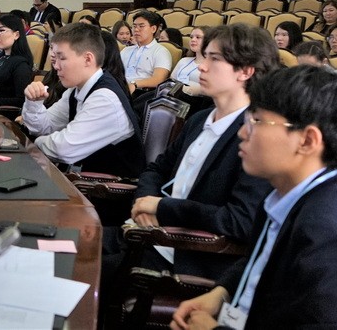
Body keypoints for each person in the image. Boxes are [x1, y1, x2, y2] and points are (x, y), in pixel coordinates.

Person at [170, 65, 337, 330]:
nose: (242, 132)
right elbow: (263, 258)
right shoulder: (282, 195)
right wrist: (222, 293)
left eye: (257, 121)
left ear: (307, 141)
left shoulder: (326, 230)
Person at [110, 24, 279, 283]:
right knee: (66, 241)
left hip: (188, 258)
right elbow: (156, 169)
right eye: (204, 57)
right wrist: (145, 201)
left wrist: (162, 208)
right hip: (146, 235)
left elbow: (238, 220)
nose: (202, 66)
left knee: (76, 267)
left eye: (214, 59)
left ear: (246, 71)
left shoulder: (257, 136)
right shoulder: (199, 119)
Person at [21, 23, 144, 178]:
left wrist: (34, 142)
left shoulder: (105, 98)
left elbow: (63, 150)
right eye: (54, 59)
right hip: (81, 179)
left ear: (87, 59)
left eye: (62, 58)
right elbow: (46, 126)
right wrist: (34, 103)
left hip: (106, 188)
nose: (56, 66)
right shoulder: (76, 89)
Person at [120, 10, 173, 96]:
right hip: (121, 88)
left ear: (153, 29)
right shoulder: (126, 50)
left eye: (141, 26)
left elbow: (158, 79)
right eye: (134, 26)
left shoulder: (161, 52)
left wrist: (134, 84)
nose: (136, 30)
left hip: (142, 92)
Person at [170, 26, 211, 93]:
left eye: (198, 37)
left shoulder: (214, 65)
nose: (193, 40)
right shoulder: (183, 60)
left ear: (209, 41)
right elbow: (171, 81)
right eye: (191, 37)